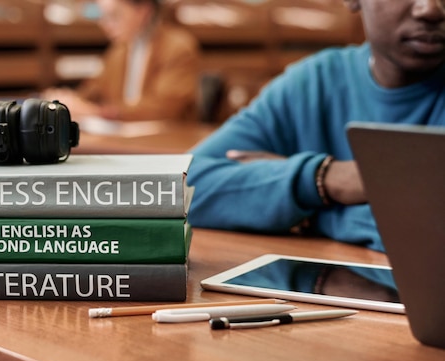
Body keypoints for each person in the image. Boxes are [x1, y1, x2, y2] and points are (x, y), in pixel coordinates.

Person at [186, 0, 445, 252]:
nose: (431, 8)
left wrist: (306, 211)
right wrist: (325, 177)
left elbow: (431, 234)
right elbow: (182, 189)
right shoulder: (316, 80)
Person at [43, 0, 200, 121]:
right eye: (102, 16)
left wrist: (97, 112)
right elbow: (94, 89)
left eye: (114, 16)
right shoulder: (119, 50)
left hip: (168, 143)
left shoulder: (177, 47)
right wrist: (68, 100)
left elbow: (165, 108)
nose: (105, 25)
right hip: (122, 138)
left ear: (143, 10)